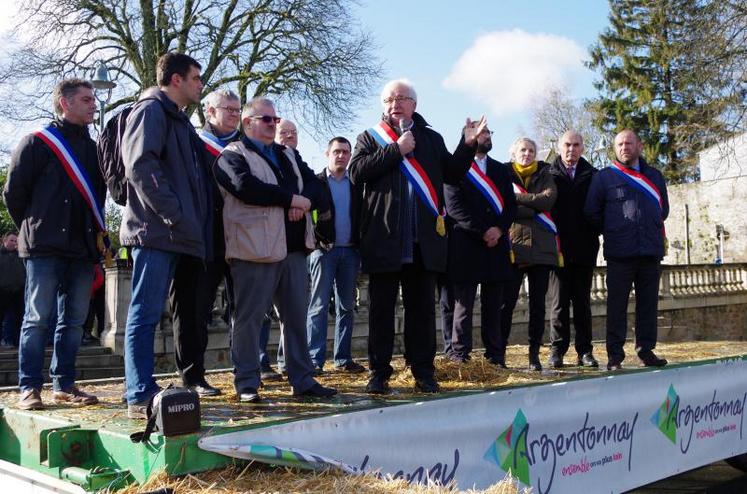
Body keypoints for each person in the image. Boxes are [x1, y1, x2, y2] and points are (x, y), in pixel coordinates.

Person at [348, 79, 486, 394]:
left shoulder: (432, 139)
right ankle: (379, 373)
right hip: (384, 239)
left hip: (423, 243)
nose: (395, 103)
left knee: (422, 312)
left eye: (402, 98)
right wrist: (396, 150)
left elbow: (451, 173)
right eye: (389, 99)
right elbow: (357, 172)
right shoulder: (369, 138)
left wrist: (466, 145)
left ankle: (423, 370)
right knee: (381, 311)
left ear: (414, 104)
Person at [214, 96, 336, 402]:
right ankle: (247, 384)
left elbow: (317, 186)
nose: (273, 124)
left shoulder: (288, 154)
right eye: (266, 119)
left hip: (295, 249)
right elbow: (246, 187)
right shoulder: (231, 155)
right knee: (249, 318)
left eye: (275, 119)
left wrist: (303, 201)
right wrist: (291, 200)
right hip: (254, 250)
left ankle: (302, 379)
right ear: (247, 123)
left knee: (296, 317)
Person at [3, 78, 104, 409]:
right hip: (44, 248)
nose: (94, 104)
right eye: (87, 99)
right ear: (65, 103)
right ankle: (29, 387)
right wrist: (33, 229)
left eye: (93, 99)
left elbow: (98, 200)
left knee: (74, 322)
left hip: (81, 249)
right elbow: (14, 194)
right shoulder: (36, 142)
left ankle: (64, 384)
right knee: (36, 318)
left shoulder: (93, 149)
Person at [120, 52, 211, 418]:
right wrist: (175, 216)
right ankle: (138, 390)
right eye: (195, 78)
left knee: (155, 312)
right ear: (176, 80)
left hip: (174, 234)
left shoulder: (179, 121)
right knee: (143, 313)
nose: (200, 85)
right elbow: (141, 166)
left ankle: (145, 386)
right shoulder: (151, 111)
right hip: (156, 231)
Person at [166, 88, 242, 398]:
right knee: (194, 309)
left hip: (239, 239)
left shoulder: (244, 146)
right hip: (201, 238)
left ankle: (248, 371)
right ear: (210, 112)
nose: (235, 115)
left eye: (238, 110)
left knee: (243, 310)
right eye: (228, 109)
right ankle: (192, 375)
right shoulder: (194, 143)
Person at [584, 129, 669, 370]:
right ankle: (615, 355)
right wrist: (614, 229)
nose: (624, 147)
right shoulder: (604, 177)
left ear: (639, 146)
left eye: (629, 143)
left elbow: (663, 210)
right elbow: (591, 212)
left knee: (648, 305)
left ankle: (646, 350)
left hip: (650, 252)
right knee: (616, 306)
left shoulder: (655, 176)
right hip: (620, 253)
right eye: (620, 144)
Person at [438, 124, 516, 365]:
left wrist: (499, 229)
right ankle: (460, 354)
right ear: (468, 137)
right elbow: (455, 208)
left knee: (495, 305)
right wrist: (484, 231)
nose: (487, 136)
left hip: (496, 245)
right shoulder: (456, 167)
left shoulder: (500, 170)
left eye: (489, 132)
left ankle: (495, 355)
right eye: (482, 132)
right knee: (463, 305)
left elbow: (510, 205)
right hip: (466, 244)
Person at [306, 137, 365, 374]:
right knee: (318, 306)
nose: (341, 156)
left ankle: (343, 358)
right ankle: (314, 360)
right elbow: (308, 216)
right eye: (337, 151)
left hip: (350, 252)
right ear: (327, 154)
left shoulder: (356, 182)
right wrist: (318, 240)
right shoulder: (316, 182)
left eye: (345, 152)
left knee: (347, 307)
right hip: (323, 252)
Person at [499, 137, 559, 371]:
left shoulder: (546, 174)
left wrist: (518, 201)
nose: (527, 153)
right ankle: (499, 351)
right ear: (514, 153)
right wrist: (531, 206)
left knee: (538, 307)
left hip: (541, 249)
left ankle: (534, 354)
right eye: (523, 150)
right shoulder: (503, 173)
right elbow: (504, 205)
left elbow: (548, 201)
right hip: (513, 248)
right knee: (506, 304)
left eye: (531, 150)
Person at [546, 131, 600, 368]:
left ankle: (585, 351)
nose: (571, 149)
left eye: (576, 145)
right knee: (558, 304)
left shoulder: (594, 175)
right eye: (567, 145)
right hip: (557, 249)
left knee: (582, 304)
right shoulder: (547, 174)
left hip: (585, 248)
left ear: (582, 148)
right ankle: (557, 349)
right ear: (559, 147)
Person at [0, 232, 25, 348]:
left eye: (16, 241)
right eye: (11, 240)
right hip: (2, 291)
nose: (14, 243)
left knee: (19, 318)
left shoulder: (22, 255)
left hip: (19, 292)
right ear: (4, 241)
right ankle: (4, 341)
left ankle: (17, 342)